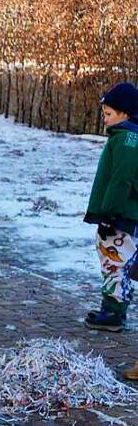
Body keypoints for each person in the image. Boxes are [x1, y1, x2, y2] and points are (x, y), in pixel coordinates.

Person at [84, 82, 138, 332]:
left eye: (108, 114)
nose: (104, 120)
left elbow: (121, 179)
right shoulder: (126, 137)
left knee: (114, 263)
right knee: (117, 262)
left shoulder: (127, 139)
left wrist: (108, 215)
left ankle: (113, 313)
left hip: (118, 216)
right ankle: (114, 308)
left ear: (125, 114)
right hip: (120, 214)